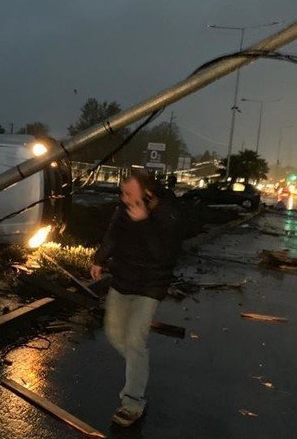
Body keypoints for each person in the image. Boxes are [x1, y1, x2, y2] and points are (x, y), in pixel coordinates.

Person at [90, 170, 182, 427]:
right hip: (122, 281)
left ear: (147, 192)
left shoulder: (166, 213)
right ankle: (137, 362)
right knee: (114, 333)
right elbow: (112, 235)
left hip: (150, 287)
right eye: (122, 192)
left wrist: (143, 222)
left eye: (130, 193)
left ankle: (132, 403)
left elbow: (163, 256)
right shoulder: (123, 209)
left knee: (134, 340)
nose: (125, 197)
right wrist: (99, 259)